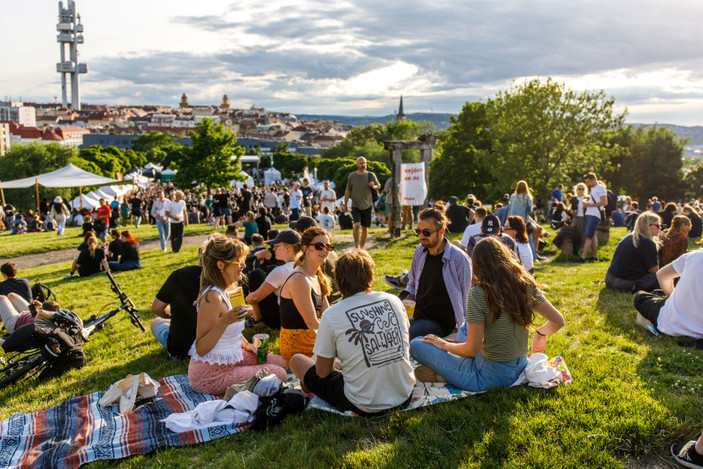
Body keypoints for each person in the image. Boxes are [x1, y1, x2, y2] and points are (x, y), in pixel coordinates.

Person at [410, 237, 565, 389]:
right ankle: (451, 371)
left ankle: (447, 374)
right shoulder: (525, 284)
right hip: (520, 365)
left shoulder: (478, 293)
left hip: (489, 376)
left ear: (477, 265)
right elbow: (558, 321)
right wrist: (540, 333)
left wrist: (444, 345)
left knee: (416, 344)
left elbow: (471, 350)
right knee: (466, 327)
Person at [289, 249, 415, 416]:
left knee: (297, 361)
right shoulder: (394, 300)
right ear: (371, 278)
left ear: (339, 281)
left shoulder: (331, 314)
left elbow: (322, 372)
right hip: (404, 394)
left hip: (363, 404)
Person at [187, 233, 287, 395]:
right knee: (279, 373)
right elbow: (201, 348)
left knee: (281, 362)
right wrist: (224, 321)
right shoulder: (213, 297)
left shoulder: (233, 290)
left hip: (232, 358)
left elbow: (234, 331)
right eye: (239, 261)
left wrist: (248, 346)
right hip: (210, 375)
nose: (243, 265)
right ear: (221, 265)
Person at [402, 207, 472, 340]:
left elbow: (466, 298)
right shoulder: (420, 251)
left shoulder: (459, 259)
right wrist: (403, 303)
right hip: (417, 314)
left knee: (404, 336)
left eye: (426, 232)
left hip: (441, 324)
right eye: (418, 231)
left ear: (441, 231)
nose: (421, 236)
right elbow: (411, 285)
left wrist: (461, 329)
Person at [278, 227, 332, 362]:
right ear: (305, 248)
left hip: (312, 338)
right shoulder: (299, 279)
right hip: (297, 347)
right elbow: (312, 323)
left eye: (328, 247)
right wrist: (335, 345)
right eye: (319, 246)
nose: (325, 250)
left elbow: (327, 315)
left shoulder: (317, 276)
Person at [633, 248, 703, 340]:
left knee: (641, 297)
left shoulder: (694, 255)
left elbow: (662, 275)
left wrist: (671, 295)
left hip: (671, 324)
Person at [151, 250, 203, 360]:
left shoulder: (180, 275)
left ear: (199, 251)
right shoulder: (226, 279)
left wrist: (176, 316)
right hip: (215, 347)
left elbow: (156, 308)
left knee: (156, 322)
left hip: (182, 349)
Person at [246, 230, 301, 329]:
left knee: (256, 274)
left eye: (276, 246)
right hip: (300, 318)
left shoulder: (281, 270)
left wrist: (247, 299)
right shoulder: (305, 266)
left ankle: (258, 320)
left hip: (281, 321)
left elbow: (255, 298)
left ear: (288, 248)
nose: (273, 249)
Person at [605, 211, 660, 293]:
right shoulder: (647, 243)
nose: (659, 228)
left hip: (610, 279)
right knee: (663, 277)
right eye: (657, 225)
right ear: (647, 226)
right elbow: (655, 270)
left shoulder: (629, 237)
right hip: (625, 282)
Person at [344, 157, 380, 249]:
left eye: (364, 163)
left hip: (367, 204)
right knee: (357, 225)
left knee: (364, 228)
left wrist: (373, 186)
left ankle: (362, 248)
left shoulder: (371, 175)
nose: (363, 165)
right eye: (361, 163)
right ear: (357, 164)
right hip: (355, 204)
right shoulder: (352, 176)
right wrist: (345, 205)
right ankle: (356, 246)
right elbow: (348, 191)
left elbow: (378, 186)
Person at [580, 172, 607, 262]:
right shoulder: (593, 188)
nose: (587, 184)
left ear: (593, 180)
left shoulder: (600, 188)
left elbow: (604, 202)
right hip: (590, 213)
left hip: (594, 214)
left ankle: (583, 257)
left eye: (588, 182)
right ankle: (594, 255)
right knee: (592, 236)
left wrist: (589, 205)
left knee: (588, 236)